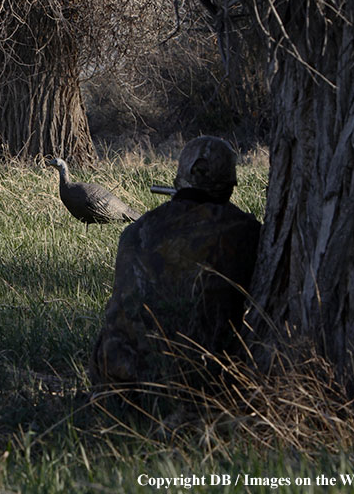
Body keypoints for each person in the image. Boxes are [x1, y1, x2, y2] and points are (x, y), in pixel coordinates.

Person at [89, 136, 261, 387]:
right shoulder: (246, 232)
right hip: (201, 380)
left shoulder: (136, 231)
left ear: (178, 180)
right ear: (230, 185)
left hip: (122, 376)